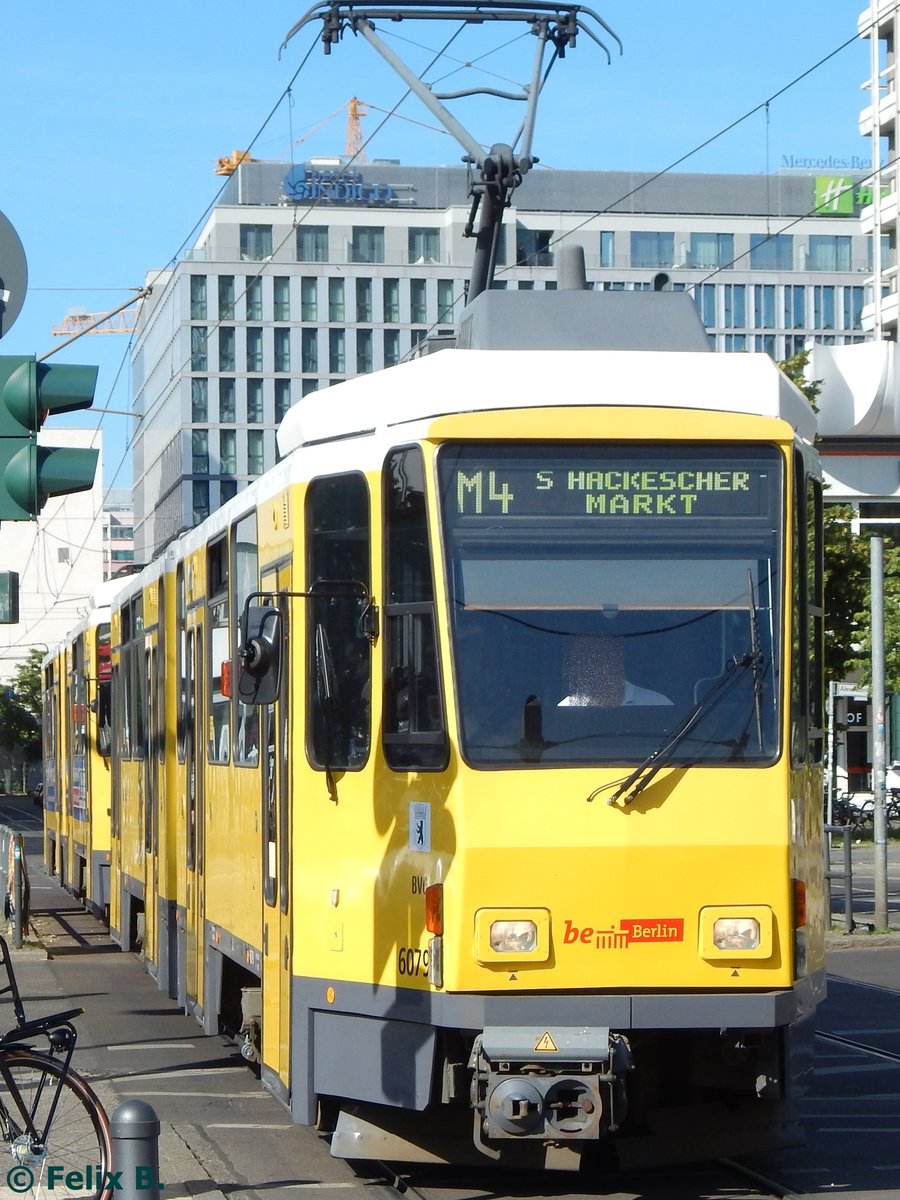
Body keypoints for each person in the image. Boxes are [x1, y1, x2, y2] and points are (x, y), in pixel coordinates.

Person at [558, 633, 672, 707]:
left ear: (616, 662)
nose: (591, 667)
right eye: (582, 659)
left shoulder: (657, 702)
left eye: (599, 658)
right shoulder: (567, 706)